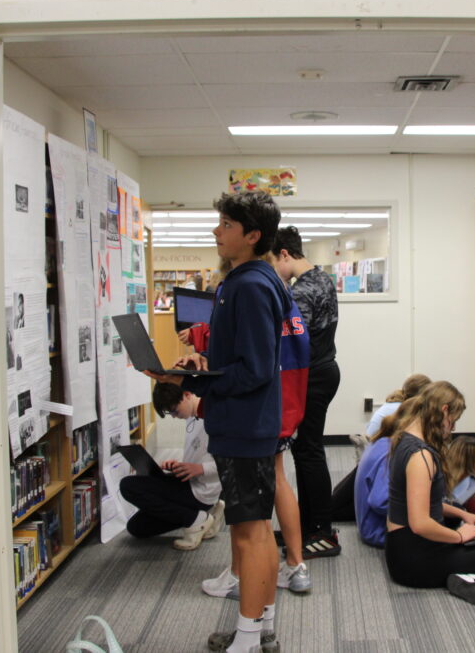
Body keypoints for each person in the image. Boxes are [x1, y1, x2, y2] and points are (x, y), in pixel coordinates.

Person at [145, 190, 288, 653]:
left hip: (244, 425)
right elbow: (243, 360)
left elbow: (256, 370)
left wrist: (194, 382)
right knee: (255, 530)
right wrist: (199, 366)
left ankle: (248, 637)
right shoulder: (246, 280)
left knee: (249, 533)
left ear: (252, 235)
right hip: (246, 422)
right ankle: (258, 625)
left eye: (226, 224)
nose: (216, 231)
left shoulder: (249, 285)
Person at [202, 250, 313, 601]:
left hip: (260, 409)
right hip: (283, 401)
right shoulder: (284, 297)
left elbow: (252, 362)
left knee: (257, 509)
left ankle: (246, 574)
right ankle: (292, 564)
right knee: (273, 486)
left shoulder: (253, 293)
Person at [385, 381, 475, 607]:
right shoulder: (421, 456)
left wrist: (463, 515)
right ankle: (460, 576)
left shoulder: (404, 438)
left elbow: (422, 502)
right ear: (444, 411)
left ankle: (464, 571)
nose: (453, 428)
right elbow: (420, 523)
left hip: (401, 547)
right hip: (414, 560)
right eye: (454, 420)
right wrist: (459, 536)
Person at [271, 226, 341, 558]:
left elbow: (295, 340)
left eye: (273, 262)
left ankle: (322, 532)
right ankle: (309, 526)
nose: (273, 269)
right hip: (326, 369)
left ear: (285, 254)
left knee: (309, 451)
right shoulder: (322, 278)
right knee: (307, 451)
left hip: (312, 376)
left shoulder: (300, 292)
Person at [119, 383, 225, 549]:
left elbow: (231, 464)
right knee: (136, 528)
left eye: (175, 410)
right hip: (190, 482)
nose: (175, 416)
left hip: (201, 492)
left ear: (188, 394)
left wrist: (199, 469)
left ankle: (197, 519)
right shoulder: (192, 416)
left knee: (128, 485)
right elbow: (198, 453)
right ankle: (206, 513)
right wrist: (179, 466)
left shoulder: (213, 419)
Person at [332, 373, 431, 521]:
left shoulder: (396, 407)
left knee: (336, 503)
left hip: (369, 453)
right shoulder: (403, 415)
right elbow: (380, 503)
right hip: (375, 458)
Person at [351, 397, 415, 547]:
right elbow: (380, 502)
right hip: (378, 530)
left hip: (370, 525)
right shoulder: (391, 452)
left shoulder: (383, 441)